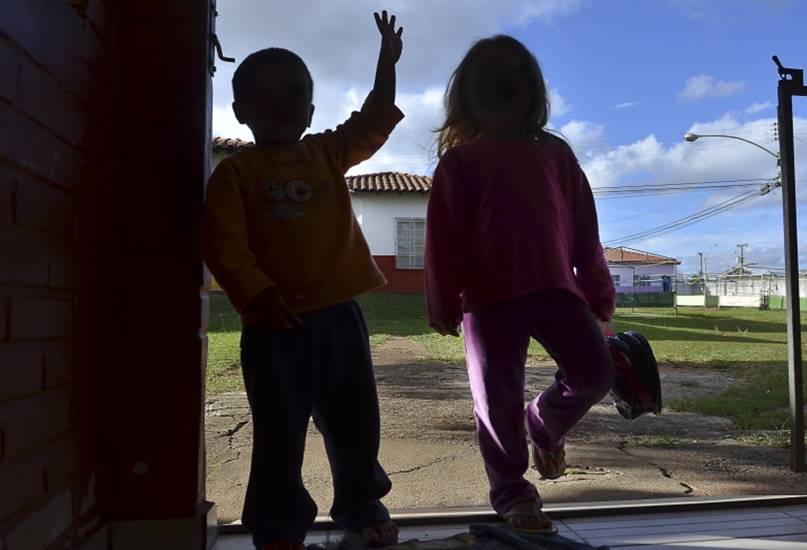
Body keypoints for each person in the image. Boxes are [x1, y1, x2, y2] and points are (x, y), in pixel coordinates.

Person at [202, 11, 405, 550]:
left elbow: (375, 118)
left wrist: (387, 64)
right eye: (262, 96)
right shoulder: (234, 175)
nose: (279, 103)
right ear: (240, 111)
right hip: (273, 326)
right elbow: (224, 247)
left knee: (357, 423)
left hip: (341, 317)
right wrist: (259, 296)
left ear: (311, 109)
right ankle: (276, 526)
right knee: (278, 435)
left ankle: (362, 503)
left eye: (292, 92)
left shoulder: (325, 152)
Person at [424, 35, 617, 535]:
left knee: (596, 372)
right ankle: (512, 494)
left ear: (532, 89)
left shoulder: (555, 154)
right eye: (490, 79)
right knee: (495, 401)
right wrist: (442, 297)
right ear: (467, 95)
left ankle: (544, 424)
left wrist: (598, 293)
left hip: (556, 290)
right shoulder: (460, 163)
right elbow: (443, 238)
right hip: (488, 301)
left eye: (514, 76)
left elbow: (584, 230)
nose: (503, 85)